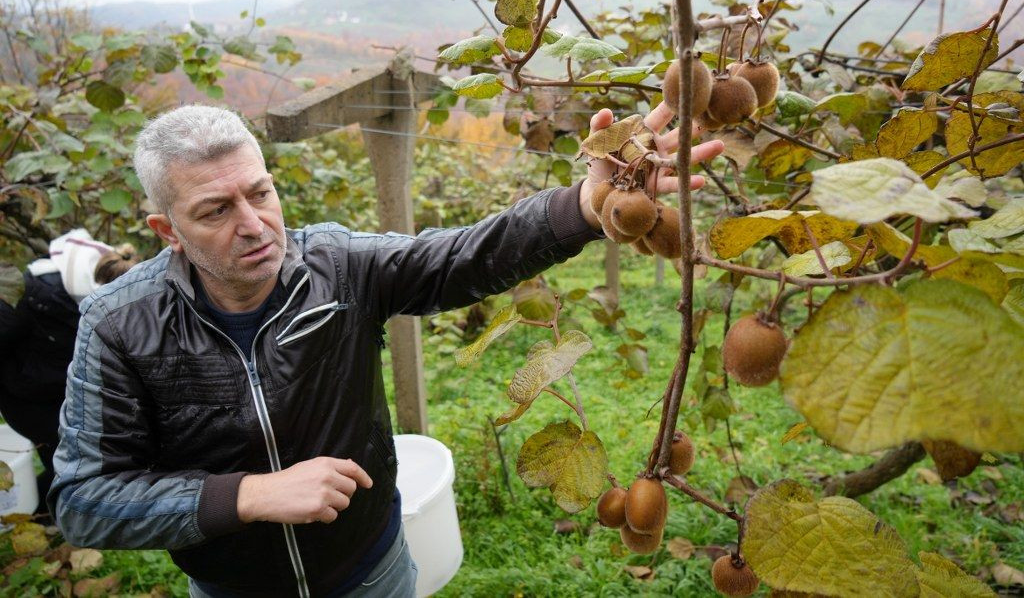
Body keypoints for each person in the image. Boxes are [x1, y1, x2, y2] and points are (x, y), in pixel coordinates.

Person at [46, 104, 724, 597]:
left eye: (260, 193)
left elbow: (459, 257)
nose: (254, 225)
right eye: (215, 211)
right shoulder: (119, 322)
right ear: (167, 230)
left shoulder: (337, 267)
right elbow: (84, 498)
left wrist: (581, 205)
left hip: (374, 571)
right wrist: (249, 494)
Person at [0, 231, 139, 521]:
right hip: (25, 395)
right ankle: (48, 517)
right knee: (64, 459)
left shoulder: (99, 267)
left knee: (64, 459)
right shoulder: (36, 293)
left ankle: (47, 515)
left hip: (60, 391)